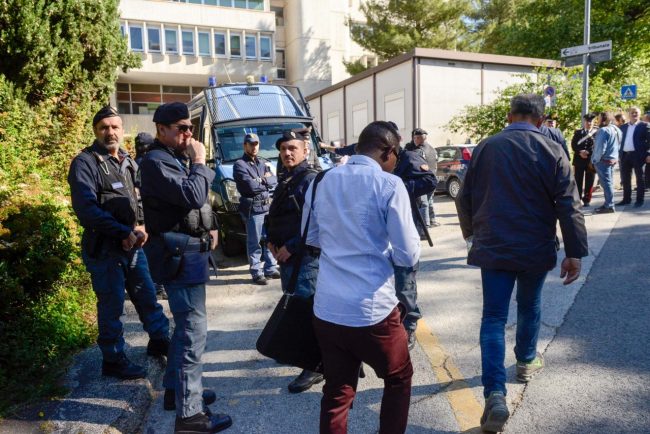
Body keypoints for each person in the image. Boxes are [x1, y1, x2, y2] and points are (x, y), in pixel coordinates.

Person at [456, 94, 588, 433]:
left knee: (493, 317)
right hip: (535, 247)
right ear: (541, 121)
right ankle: (527, 361)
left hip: (494, 247)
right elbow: (568, 204)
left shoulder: (486, 147)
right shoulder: (553, 149)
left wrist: (471, 236)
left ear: (508, 115)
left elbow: (463, 197)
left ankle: (494, 394)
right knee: (529, 305)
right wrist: (574, 252)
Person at [304, 121, 420, 434]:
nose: (396, 162)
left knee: (337, 391)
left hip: (328, 309)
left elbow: (311, 237)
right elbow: (408, 255)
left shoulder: (321, 180)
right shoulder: (389, 184)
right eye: (397, 156)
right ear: (388, 151)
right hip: (373, 311)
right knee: (398, 378)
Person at [139, 102, 231, 433]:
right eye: (181, 128)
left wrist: (211, 225)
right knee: (193, 332)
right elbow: (192, 194)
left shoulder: (173, 158)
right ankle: (190, 415)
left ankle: (175, 391)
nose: (188, 133)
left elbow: (198, 201)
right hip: (176, 257)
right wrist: (200, 161)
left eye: (190, 127)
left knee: (185, 329)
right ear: (161, 130)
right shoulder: (156, 161)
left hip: (188, 255)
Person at [67, 106, 170, 380]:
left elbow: (138, 198)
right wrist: (122, 232)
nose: (110, 132)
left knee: (147, 296)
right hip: (105, 249)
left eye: (115, 127)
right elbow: (87, 210)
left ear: (122, 130)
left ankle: (159, 340)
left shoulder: (127, 160)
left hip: (133, 246)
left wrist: (141, 225)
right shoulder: (85, 163)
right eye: (104, 127)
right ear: (95, 131)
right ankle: (113, 360)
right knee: (112, 306)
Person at [265, 129, 324, 393]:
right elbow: (277, 214)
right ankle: (300, 352)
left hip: (304, 259)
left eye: (293, 148)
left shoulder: (310, 179)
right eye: (283, 149)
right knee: (295, 309)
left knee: (308, 312)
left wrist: (290, 247)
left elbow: (317, 223)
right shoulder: (287, 177)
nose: (287, 153)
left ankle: (315, 366)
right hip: (286, 258)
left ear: (305, 150)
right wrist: (269, 240)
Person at [391, 128, 437, 350]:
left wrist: (398, 187)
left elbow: (430, 181)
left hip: (404, 225)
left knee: (404, 282)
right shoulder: (374, 159)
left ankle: (409, 324)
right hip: (381, 230)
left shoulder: (408, 157)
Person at [233, 133, 280, 285]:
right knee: (255, 243)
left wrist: (261, 180)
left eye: (256, 144)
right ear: (245, 145)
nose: (254, 147)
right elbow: (250, 187)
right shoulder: (240, 164)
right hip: (253, 208)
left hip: (267, 206)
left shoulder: (263, 162)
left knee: (269, 239)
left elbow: (274, 180)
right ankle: (256, 272)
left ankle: (270, 268)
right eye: (251, 144)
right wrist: (265, 180)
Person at [405, 128, 440, 227]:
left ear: (420, 138)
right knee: (429, 201)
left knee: (423, 203)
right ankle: (432, 220)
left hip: (423, 179)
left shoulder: (418, 151)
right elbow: (436, 163)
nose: (414, 139)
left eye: (416, 138)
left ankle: (425, 225)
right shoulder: (432, 149)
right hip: (432, 178)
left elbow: (417, 166)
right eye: (414, 138)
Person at [618, 107, 650, 207]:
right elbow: (619, 141)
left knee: (640, 179)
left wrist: (649, 154)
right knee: (625, 179)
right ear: (629, 114)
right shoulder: (623, 127)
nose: (634, 114)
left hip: (639, 156)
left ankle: (639, 200)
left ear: (639, 114)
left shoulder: (645, 125)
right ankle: (626, 199)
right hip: (625, 155)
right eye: (632, 112)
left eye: (636, 112)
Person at [592, 112, 622, 214]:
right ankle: (608, 204)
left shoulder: (603, 130)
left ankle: (609, 205)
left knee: (606, 184)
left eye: (599, 118)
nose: (598, 120)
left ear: (603, 119)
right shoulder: (616, 129)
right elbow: (619, 144)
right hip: (612, 160)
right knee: (609, 183)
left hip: (603, 161)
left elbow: (600, 148)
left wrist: (594, 160)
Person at [570, 113, 598, 206]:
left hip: (590, 160)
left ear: (593, 122)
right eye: (587, 121)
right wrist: (580, 152)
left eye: (591, 121)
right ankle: (578, 199)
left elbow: (597, 146)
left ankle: (587, 199)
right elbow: (573, 144)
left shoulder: (596, 133)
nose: (589, 123)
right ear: (584, 122)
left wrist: (588, 152)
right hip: (579, 159)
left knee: (590, 180)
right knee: (578, 180)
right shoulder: (578, 132)